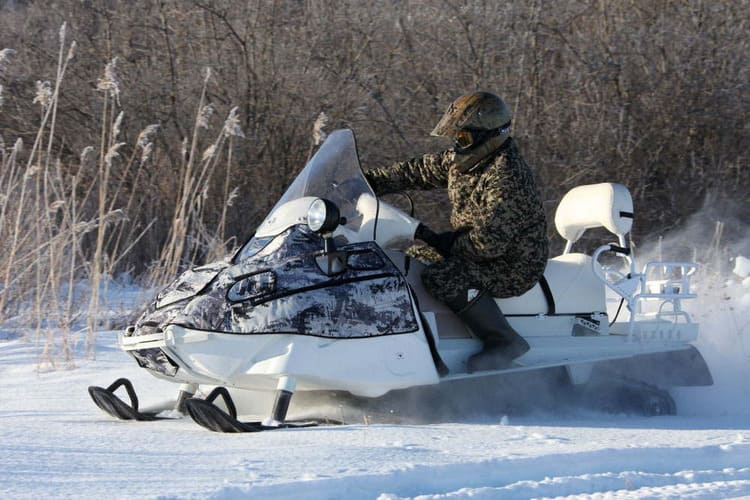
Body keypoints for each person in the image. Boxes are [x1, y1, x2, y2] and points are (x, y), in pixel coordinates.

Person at [365, 91, 548, 372]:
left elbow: (489, 244)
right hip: (475, 247)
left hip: (512, 263)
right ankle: (411, 340)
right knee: (407, 258)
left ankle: (504, 340)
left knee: (443, 276)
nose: (456, 145)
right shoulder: (467, 160)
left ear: (488, 137)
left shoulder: (506, 177)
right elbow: (418, 171)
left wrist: (446, 243)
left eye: (462, 138)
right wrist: (369, 181)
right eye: (456, 138)